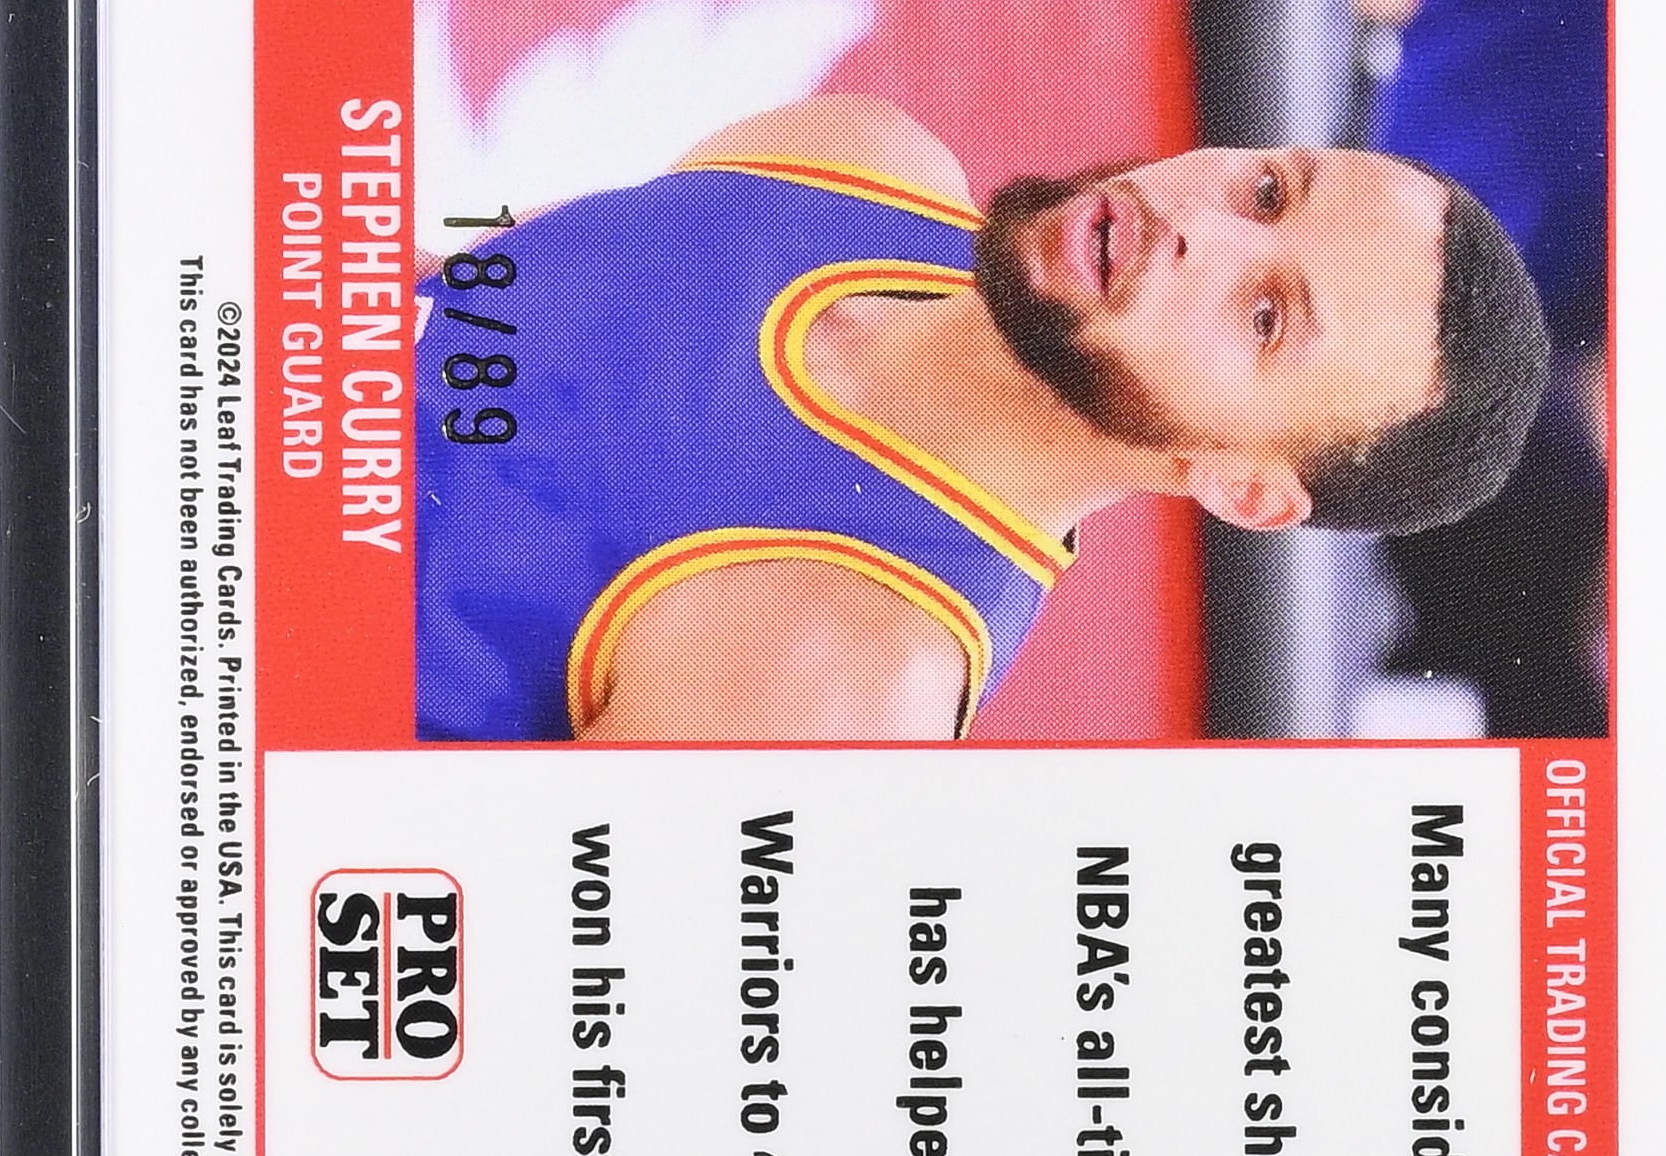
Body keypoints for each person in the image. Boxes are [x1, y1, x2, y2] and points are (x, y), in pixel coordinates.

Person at [413, 92, 1549, 744]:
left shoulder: (846, 683)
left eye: (1265, 316)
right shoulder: (854, 156)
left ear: (1242, 486)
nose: (1201, 229)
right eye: (1266, 191)